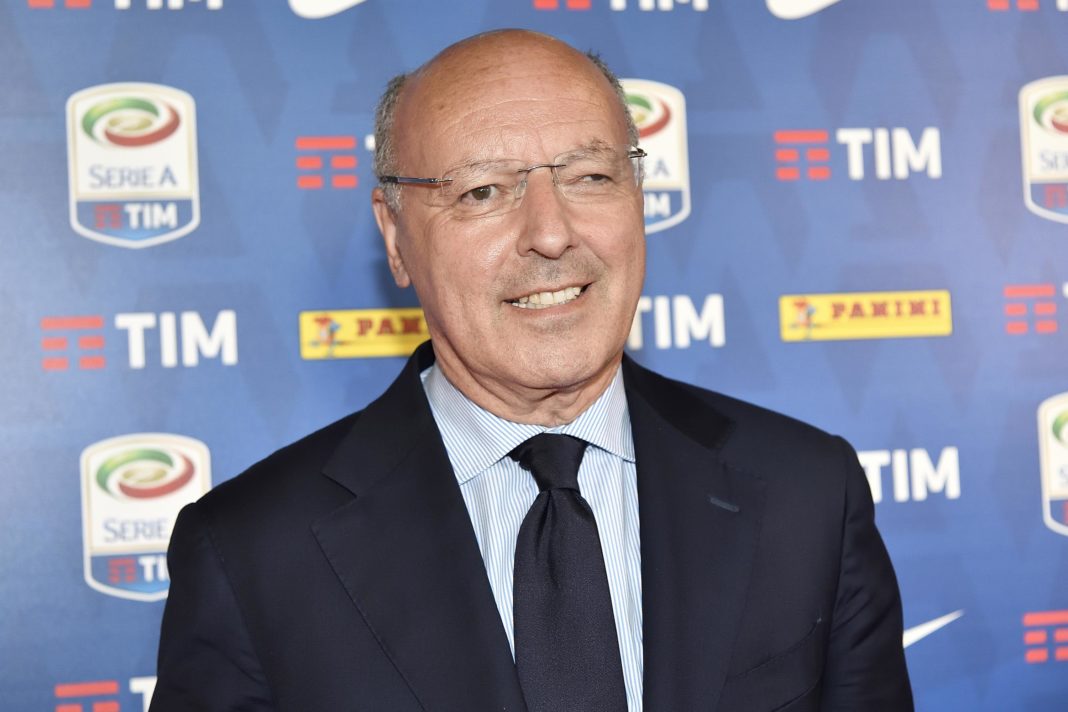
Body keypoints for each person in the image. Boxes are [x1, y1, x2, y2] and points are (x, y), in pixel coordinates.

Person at [150, 29, 913, 712]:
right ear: (395, 236)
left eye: (591, 178)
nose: (550, 233)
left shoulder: (809, 496)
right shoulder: (251, 554)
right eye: (483, 191)